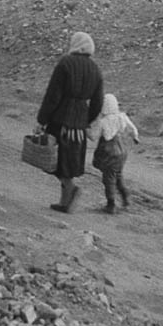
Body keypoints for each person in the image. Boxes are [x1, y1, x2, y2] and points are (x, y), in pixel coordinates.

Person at [37, 31, 103, 213]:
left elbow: (53, 95)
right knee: (69, 160)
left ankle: (69, 192)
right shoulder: (95, 69)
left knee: (55, 159)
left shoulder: (65, 63)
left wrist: (42, 119)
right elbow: (98, 102)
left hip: (60, 119)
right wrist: (86, 119)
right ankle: (65, 200)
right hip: (79, 124)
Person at [88, 93, 139, 214]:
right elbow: (132, 128)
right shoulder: (122, 117)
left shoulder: (103, 122)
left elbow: (93, 137)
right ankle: (126, 198)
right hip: (121, 149)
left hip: (109, 152)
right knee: (118, 175)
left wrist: (85, 129)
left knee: (109, 178)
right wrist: (135, 137)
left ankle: (111, 204)